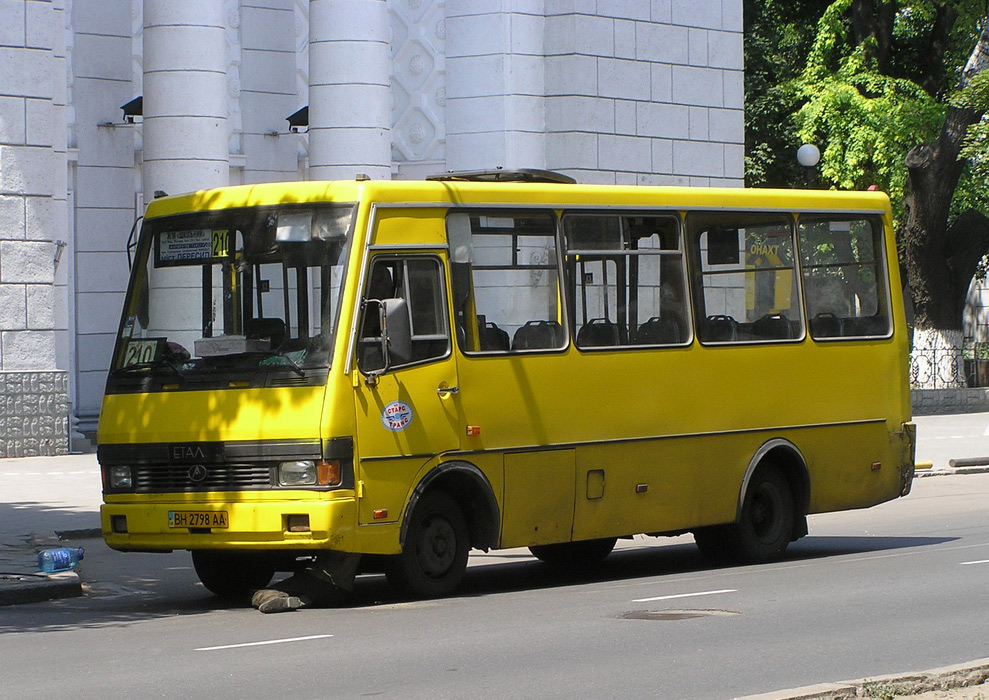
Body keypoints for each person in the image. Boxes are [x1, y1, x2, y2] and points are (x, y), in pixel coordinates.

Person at [251, 550, 360, 613]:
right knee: (313, 592)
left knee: (258, 594)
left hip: (318, 581)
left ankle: (275, 598)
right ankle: (301, 600)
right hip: (342, 591)